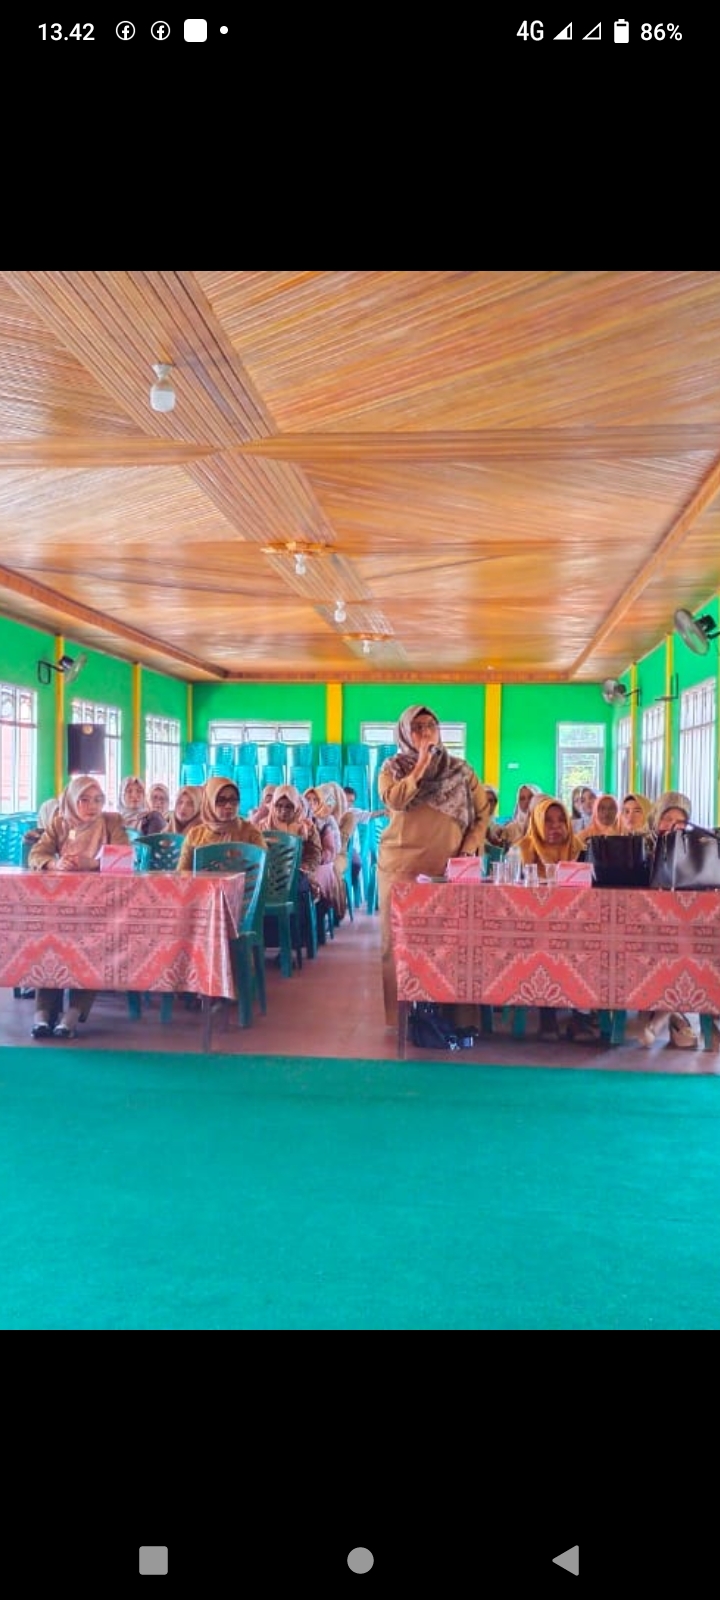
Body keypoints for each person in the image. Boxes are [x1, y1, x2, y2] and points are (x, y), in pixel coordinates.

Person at [377, 705, 491, 1025]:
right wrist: (420, 768)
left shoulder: (461, 771)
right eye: (417, 727)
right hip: (401, 868)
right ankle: (402, 1017)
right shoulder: (392, 768)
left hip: (450, 870)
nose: (426, 732)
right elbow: (395, 800)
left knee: (456, 943)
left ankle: (456, 1018)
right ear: (404, 734)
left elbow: (482, 815)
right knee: (397, 944)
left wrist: (468, 851)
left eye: (431, 725)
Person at [28, 776, 129, 1039]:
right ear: (72, 800)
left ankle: (73, 1014)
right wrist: (54, 865)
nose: (92, 806)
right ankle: (43, 1014)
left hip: (100, 908)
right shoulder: (60, 823)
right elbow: (37, 854)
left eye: (97, 799)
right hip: (61, 906)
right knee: (49, 945)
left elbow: (123, 855)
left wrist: (92, 864)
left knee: (92, 947)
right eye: (84, 799)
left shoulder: (111, 821)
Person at [642, 792, 699, 1049]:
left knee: (683, 952)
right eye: (667, 818)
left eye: (680, 820)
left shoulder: (694, 852)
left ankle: (658, 1022)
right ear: (656, 818)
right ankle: (674, 1018)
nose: (674, 825)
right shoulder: (641, 846)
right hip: (643, 929)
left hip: (682, 931)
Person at [177, 776, 266, 871]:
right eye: (221, 800)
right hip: (203, 885)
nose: (228, 806)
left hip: (243, 886)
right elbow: (182, 873)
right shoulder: (195, 836)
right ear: (209, 803)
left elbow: (262, 871)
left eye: (233, 800)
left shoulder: (251, 833)